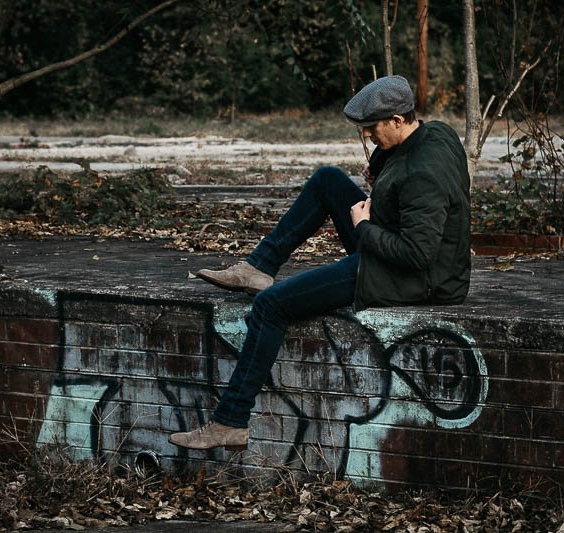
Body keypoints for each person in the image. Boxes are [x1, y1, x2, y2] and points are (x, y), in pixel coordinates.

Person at [169, 75, 471, 451]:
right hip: (394, 252)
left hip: (413, 278)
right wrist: (380, 170)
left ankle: (231, 421)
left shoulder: (424, 174)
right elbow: (403, 170)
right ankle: (260, 267)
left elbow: (416, 254)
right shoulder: (436, 132)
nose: (367, 138)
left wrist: (362, 229)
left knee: (269, 306)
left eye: (372, 129)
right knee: (327, 180)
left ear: (397, 120)